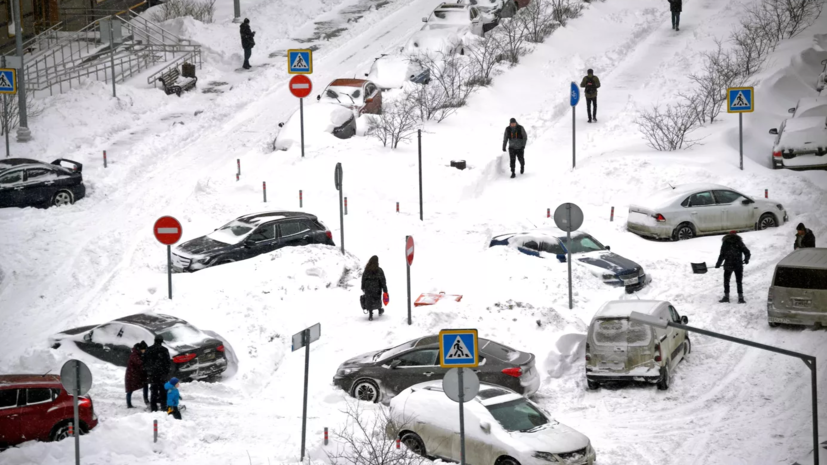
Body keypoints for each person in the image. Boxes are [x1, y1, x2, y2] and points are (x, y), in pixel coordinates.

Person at [715, 231, 751, 304]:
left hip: (728, 265)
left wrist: (718, 263)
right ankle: (740, 298)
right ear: (736, 235)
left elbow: (722, 255)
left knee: (726, 281)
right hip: (738, 265)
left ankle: (726, 297)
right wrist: (746, 259)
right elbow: (747, 252)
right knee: (739, 281)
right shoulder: (739, 242)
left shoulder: (726, 243)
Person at [144, 334, 171, 412]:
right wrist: (166, 373)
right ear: (161, 341)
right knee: (163, 391)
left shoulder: (148, 349)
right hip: (162, 374)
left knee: (154, 391)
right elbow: (168, 363)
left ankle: (154, 407)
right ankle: (163, 406)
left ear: (154, 340)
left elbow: (145, 362)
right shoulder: (164, 350)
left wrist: (149, 371)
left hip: (153, 374)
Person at [361, 256, 388, 321]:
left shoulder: (366, 270)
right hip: (376, 287)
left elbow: (363, 279)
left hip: (368, 288)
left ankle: (370, 315)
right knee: (377, 299)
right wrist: (385, 289)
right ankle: (379, 310)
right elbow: (383, 280)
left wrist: (363, 287)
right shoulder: (379, 270)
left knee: (369, 300)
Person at [125, 341, 149, 409]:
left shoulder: (138, 353)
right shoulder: (135, 355)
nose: (145, 351)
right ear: (141, 349)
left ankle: (146, 401)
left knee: (145, 385)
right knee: (130, 390)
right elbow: (140, 364)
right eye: (144, 350)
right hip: (132, 375)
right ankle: (129, 404)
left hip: (137, 374)